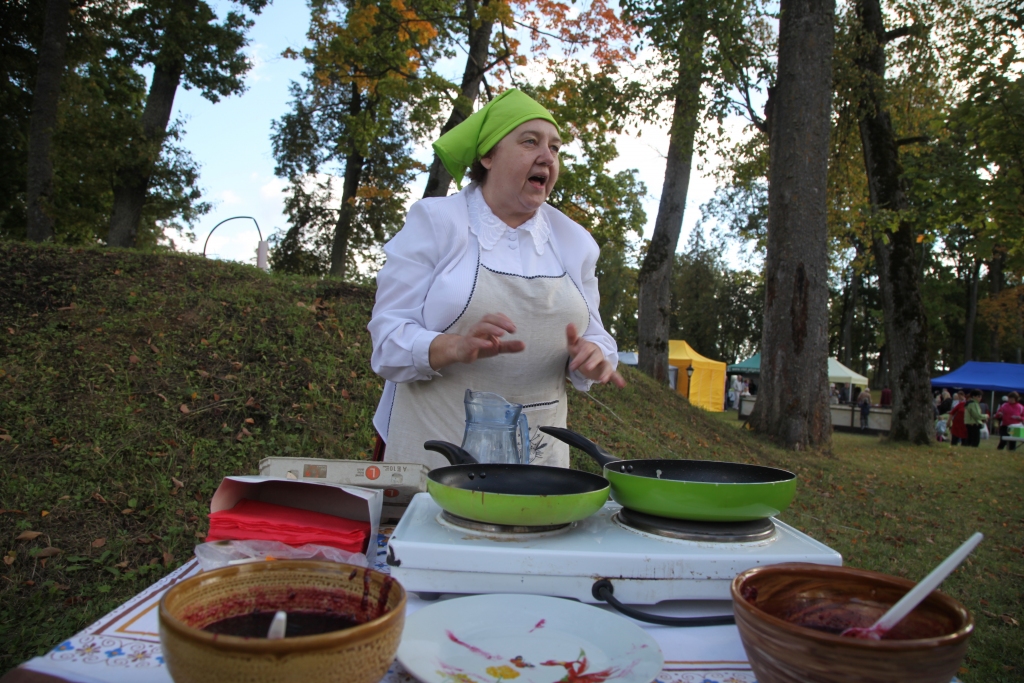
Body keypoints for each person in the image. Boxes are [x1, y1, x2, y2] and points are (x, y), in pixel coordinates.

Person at [368, 89, 623, 470]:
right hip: (433, 458)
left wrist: (593, 355)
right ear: (487, 156)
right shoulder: (436, 223)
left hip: (540, 468)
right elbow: (387, 344)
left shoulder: (575, 242)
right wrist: (452, 346)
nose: (547, 157)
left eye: (555, 148)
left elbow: (597, 335)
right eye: (530, 142)